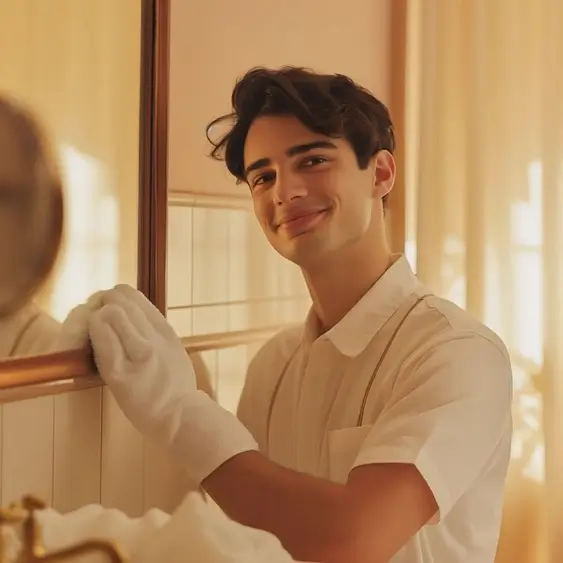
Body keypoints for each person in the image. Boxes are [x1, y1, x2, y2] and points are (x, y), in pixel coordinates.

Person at [75, 67, 513, 563]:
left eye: (313, 160)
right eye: (263, 177)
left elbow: (351, 541)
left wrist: (180, 412)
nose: (285, 191)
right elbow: (248, 541)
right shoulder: (274, 365)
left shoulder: (457, 353)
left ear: (381, 174)